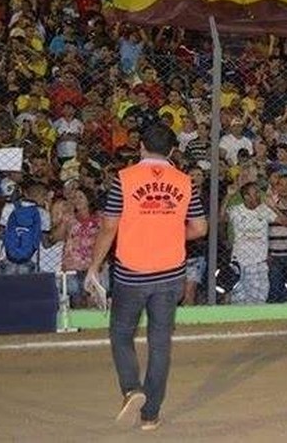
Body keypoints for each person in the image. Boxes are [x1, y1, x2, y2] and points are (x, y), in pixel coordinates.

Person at [86, 123, 208, 431]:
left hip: (132, 273)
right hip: (170, 273)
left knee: (121, 334)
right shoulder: (184, 181)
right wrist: (168, 232)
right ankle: (150, 415)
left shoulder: (124, 180)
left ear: (141, 147)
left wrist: (94, 266)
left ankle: (131, 388)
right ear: (171, 151)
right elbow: (199, 228)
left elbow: (109, 227)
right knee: (160, 343)